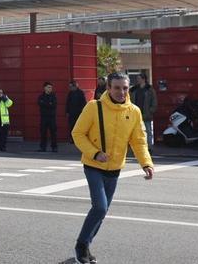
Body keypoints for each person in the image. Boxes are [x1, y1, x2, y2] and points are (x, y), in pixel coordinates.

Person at [71, 72, 154, 264]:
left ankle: (86, 244)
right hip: (94, 165)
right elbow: (78, 133)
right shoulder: (94, 107)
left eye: (125, 88)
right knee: (99, 207)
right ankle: (81, 246)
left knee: (103, 210)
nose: (121, 92)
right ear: (108, 88)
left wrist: (146, 163)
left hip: (115, 167)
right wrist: (95, 153)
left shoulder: (134, 111)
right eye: (116, 87)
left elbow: (139, 141)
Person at [130, 73, 158, 148]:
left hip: (146, 114)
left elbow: (154, 101)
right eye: (137, 78)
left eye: (139, 78)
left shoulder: (150, 89)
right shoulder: (134, 89)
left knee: (148, 131)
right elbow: (129, 99)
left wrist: (151, 110)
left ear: (144, 79)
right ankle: (138, 147)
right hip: (136, 114)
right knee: (136, 132)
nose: (137, 80)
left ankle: (149, 147)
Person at [38, 82, 58, 152]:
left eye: (51, 88)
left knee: (53, 132)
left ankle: (54, 147)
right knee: (43, 132)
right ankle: (43, 147)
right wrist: (49, 103)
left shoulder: (53, 96)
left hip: (52, 117)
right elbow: (40, 104)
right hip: (44, 117)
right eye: (49, 87)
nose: (50, 89)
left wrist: (45, 103)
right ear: (45, 88)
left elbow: (54, 105)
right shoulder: (41, 96)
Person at [66, 80, 87, 145]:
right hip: (71, 113)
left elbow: (84, 103)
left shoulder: (80, 93)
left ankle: (77, 140)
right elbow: (67, 103)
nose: (70, 88)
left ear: (74, 86)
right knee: (71, 126)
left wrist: (82, 112)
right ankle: (72, 139)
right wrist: (67, 111)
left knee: (78, 127)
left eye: (71, 86)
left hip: (78, 113)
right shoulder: (70, 93)